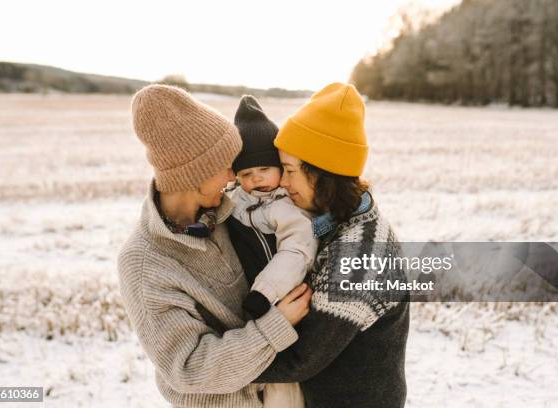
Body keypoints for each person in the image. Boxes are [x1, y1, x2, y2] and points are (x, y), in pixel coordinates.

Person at [117, 84, 311, 408]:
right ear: (195, 172)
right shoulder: (144, 263)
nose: (232, 174)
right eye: (225, 164)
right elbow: (190, 368)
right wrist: (275, 326)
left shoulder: (227, 214)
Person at [251, 82, 410, 408]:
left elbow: (304, 359)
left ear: (322, 174)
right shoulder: (343, 219)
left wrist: (222, 365)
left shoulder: (360, 255)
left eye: (291, 171)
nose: (282, 182)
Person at [226, 95, 318, 408]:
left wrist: (264, 293)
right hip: (251, 316)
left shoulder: (285, 208)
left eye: (265, 168)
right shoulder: (236, 199)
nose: (257, 179)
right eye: (246, 174)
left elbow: (296, 251)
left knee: (284, 391)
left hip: (279, 303)